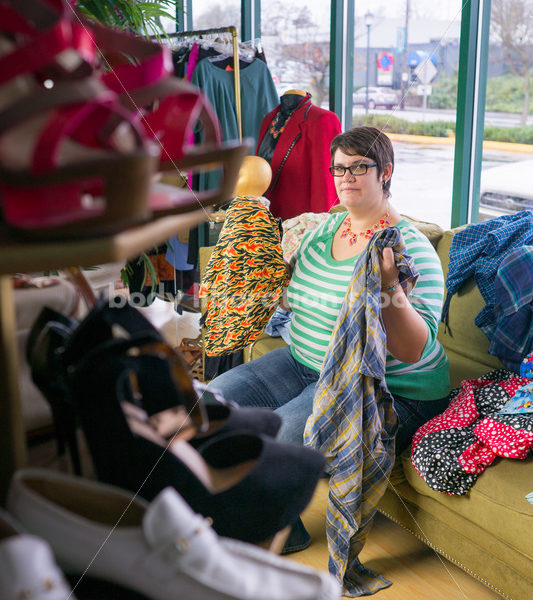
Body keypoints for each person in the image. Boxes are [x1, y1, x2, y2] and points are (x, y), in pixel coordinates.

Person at [206, 127, 451, 552]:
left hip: (389, 387)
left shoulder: (409, 247)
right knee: (212, 404)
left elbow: (413, 350)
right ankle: (257, 518)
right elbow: (290, 297)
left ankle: (261, 533)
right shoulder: (324, 230)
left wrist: (391, 286)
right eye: (339, 168)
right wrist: (251, 270)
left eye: (359, 167)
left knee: (277, 438)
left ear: (386, 172)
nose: (346, 177)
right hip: (305, 362)